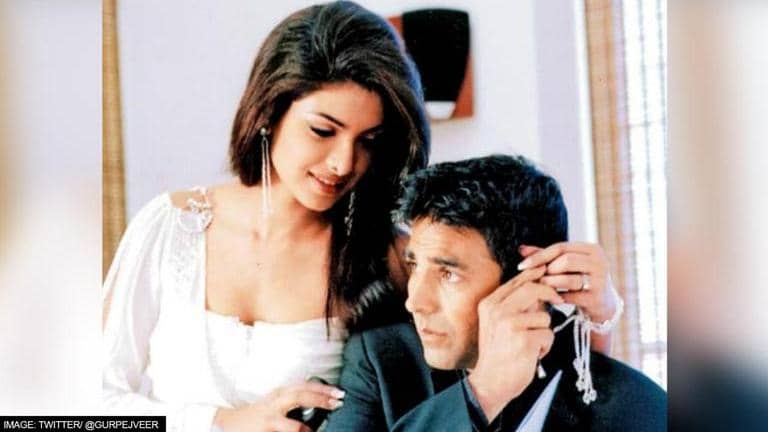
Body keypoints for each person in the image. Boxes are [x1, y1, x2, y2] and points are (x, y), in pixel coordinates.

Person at [103, 2, 619, 432]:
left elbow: (531, 380)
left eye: (368, 141)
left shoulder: (393, 257)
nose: (343, 163)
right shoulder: (170, 228)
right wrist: (220, 422)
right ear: (269, 112)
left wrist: (600, 315)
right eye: (323, 131)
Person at [324, 155, 666, 431]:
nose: (415, 302)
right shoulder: (380, 359)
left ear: (529, 279)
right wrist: (482, 394)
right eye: (414, 265)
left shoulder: (639, 407)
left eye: (448, 274)